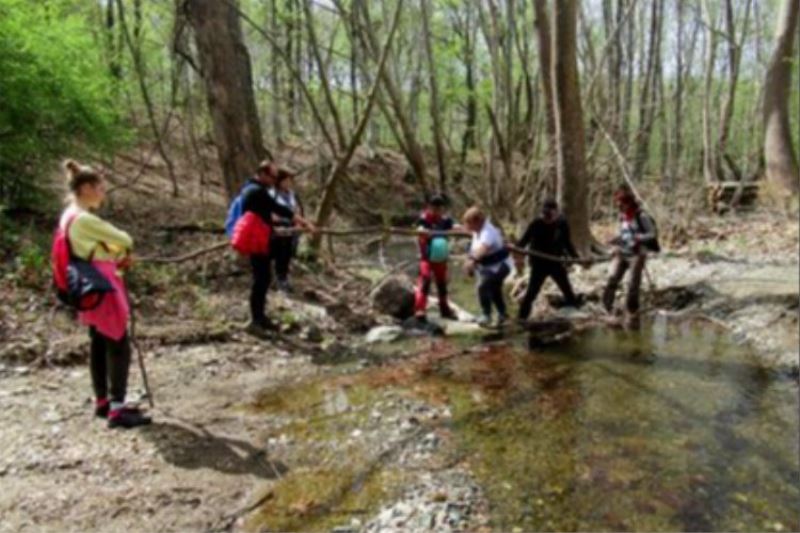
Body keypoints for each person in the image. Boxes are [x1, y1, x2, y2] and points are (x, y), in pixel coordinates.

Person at [58, 159, 150, 429]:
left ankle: (104, 402)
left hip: (87, 283)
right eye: (100, 187)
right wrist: (119, 251)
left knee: (99, 341)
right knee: (118, 342)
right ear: (86, 187)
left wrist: (114, 252)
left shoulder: (68, 216)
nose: (103, 192)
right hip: (102, 283)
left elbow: (101, 246)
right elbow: (124, 238)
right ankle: (117, 409)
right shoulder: (84, 218)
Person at [243, 161, 316, 335]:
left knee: (264, 278)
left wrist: (283, 224)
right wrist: (302, 221)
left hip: (262, 236)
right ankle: (255, 320)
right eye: (273, 177)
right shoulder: (256, 191)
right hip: (256, 239)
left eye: (276, 177)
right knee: (260, 280)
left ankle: (260, 318)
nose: (274, 180)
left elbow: (267, 214)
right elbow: (277, 208)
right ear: (262, 174)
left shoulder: (254, 189)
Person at [514, 199, 582, 323]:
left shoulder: (562, 223)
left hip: (555, 263)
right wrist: (516, 250)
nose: (547, 218)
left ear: (556, 212)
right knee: (531, 293)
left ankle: (574, 315)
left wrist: (576, 257)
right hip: (539, 264)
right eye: (545, 215)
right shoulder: (536, 223)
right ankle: (521, 319)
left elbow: (567, 243)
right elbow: (524, 241)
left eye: (550, 215)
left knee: (567, 289)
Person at [602, 185, 659, 321]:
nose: (619, 207)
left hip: (637, 254)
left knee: (632, 284)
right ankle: (605, 307)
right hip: (622, 252)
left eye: (622, 204)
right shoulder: (622, 216)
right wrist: (615, 240)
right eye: (618, 204)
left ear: (629, 203)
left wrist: (638, 237)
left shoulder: (642, 216)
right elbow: (624, 234)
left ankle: (632, 312)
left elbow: (652, 234)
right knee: (612, 279)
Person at [463, 206, 512, 327]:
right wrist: (470, 261)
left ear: (477, 221)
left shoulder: (488, 231)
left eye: (469, 223)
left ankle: (486, 315)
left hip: (501, 265)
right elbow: (473, 249)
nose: (468, 227)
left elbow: (483, 248)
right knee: (494, 289)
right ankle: (503, 313)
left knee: (483, 286)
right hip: (487, 266)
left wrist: (472, 261)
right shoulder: (477, 231)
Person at [413, 194, 459, 322]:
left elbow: (454, 226)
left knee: (442, 284)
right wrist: (422, 231)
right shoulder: (423, 219)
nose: (436, 210)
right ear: (429, 207)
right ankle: (420, 309)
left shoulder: (445, 220)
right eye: (434, 207)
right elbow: (420, 228)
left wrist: (461, 228)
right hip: (426, 257)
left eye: (439, 208)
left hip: (440, 258)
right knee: (425, 280)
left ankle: (444, 309)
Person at [270, 170, 303, 293]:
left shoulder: (292, 195)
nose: (288, 183)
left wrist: (299, 222)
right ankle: (278, 279)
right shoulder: (272, 194)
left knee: (288, 254)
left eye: (289, 180)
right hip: (278, 229)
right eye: (286, 180)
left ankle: (284, 278)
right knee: (279, 254)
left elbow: (298, 210)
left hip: (292, 228)